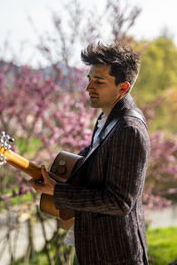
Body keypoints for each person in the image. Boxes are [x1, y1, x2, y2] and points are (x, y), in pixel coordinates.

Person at [29, 42, 150, 265]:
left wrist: (58, 192)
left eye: (99, 82)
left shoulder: (129, 130)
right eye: (89, 79)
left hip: (116, 256)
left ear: (122, 88)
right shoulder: (107, 119)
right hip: (95, 251)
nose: (88, 88)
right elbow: (90, 165)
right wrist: (52, 175)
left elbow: (119, 201)